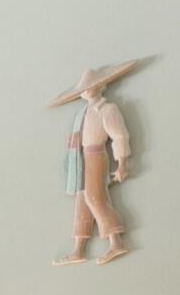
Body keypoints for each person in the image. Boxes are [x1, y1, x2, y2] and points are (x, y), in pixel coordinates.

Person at [52, 61, 140, 266]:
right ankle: (78, 249)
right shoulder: (82, 114)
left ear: (101, 86)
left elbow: (119, 137)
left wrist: (122, 164)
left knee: (95, 198)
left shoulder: (106, 109)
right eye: (84, 89)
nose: (88, 91)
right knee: (82, 201)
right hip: (81, 159)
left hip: (96, 155)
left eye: (91, 86)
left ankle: (115, 241)